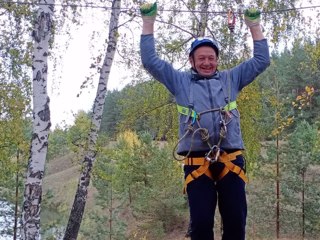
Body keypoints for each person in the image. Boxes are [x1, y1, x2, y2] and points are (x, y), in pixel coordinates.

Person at [140, 3, 270, 240]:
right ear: (191, 61)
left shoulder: (232, 78)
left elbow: (262, 61)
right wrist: (148, 22)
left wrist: (254, 26)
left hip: (231, 159)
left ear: (217, 60)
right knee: (200, 225)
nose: (207, 62)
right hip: (196, 161)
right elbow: (150, 61)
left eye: (211, 58)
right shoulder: (179, 82)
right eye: (201, 58)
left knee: (235, 222)